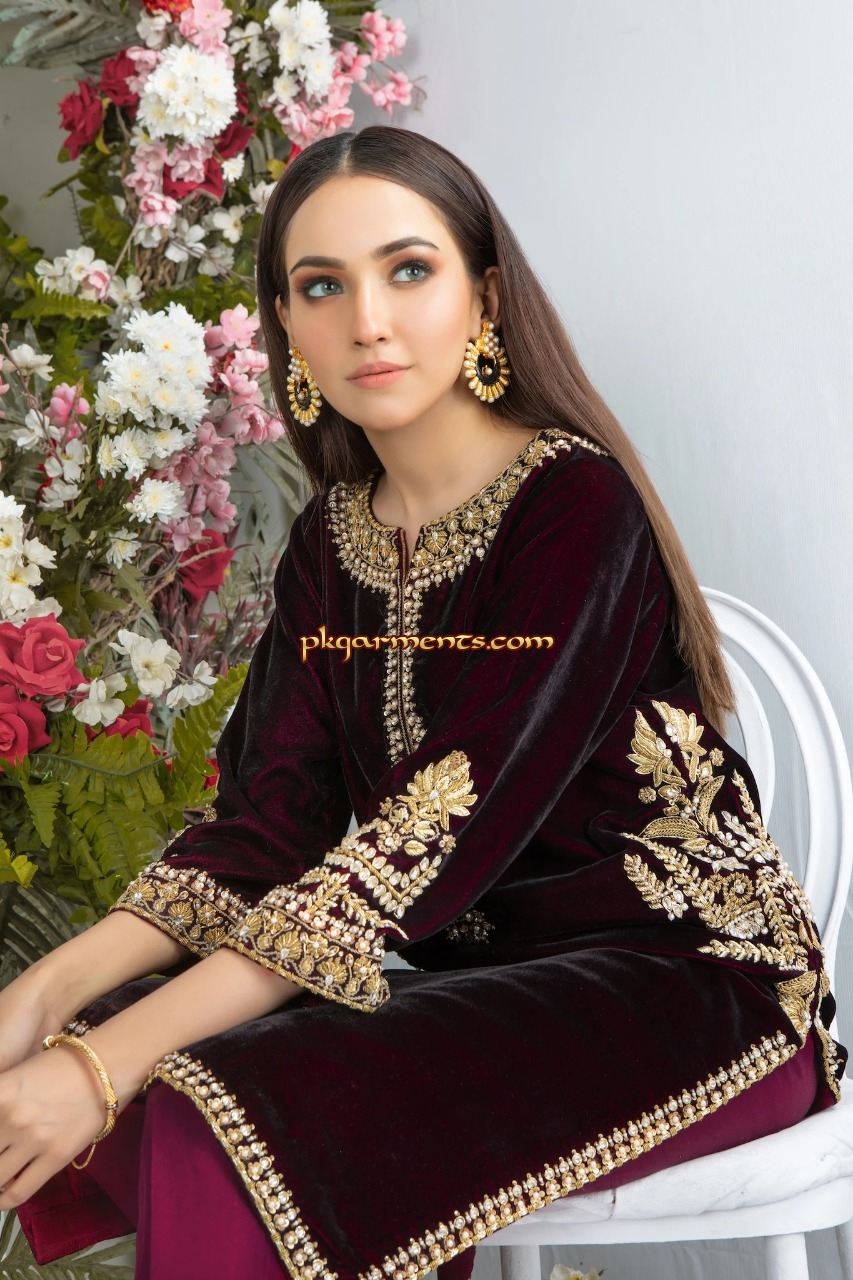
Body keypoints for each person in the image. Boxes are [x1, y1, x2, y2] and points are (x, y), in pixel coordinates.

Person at [1, 124, 846, 1280]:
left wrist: (99, 1069)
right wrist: (44, 993)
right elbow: (263, 830)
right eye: (321, 286)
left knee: (205, 1100)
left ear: (484, 296)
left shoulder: (575, 509)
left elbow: (425, 834)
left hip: (689, 989)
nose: (368, 321)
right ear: (286, 325)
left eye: (407, 269)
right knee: (103, 1049)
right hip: (468, 993)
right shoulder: (329, 544)